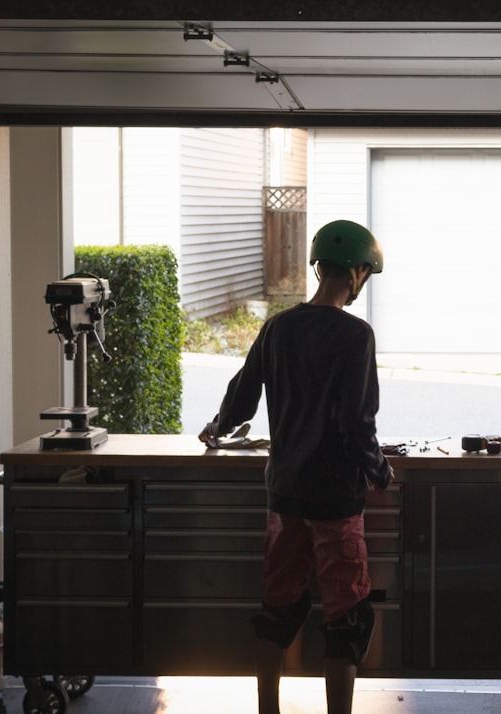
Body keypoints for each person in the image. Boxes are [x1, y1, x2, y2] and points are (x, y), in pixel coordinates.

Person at [199, 219, 393, 714]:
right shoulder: (356, 336)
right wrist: (379, 470)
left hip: (284, 496)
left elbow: (241, 398)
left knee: (278, 609)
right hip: (335, 501)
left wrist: (217, 427)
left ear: (318, 267)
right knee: (345, 617)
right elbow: (356, 422)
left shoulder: (277, 327)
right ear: (357, 272)